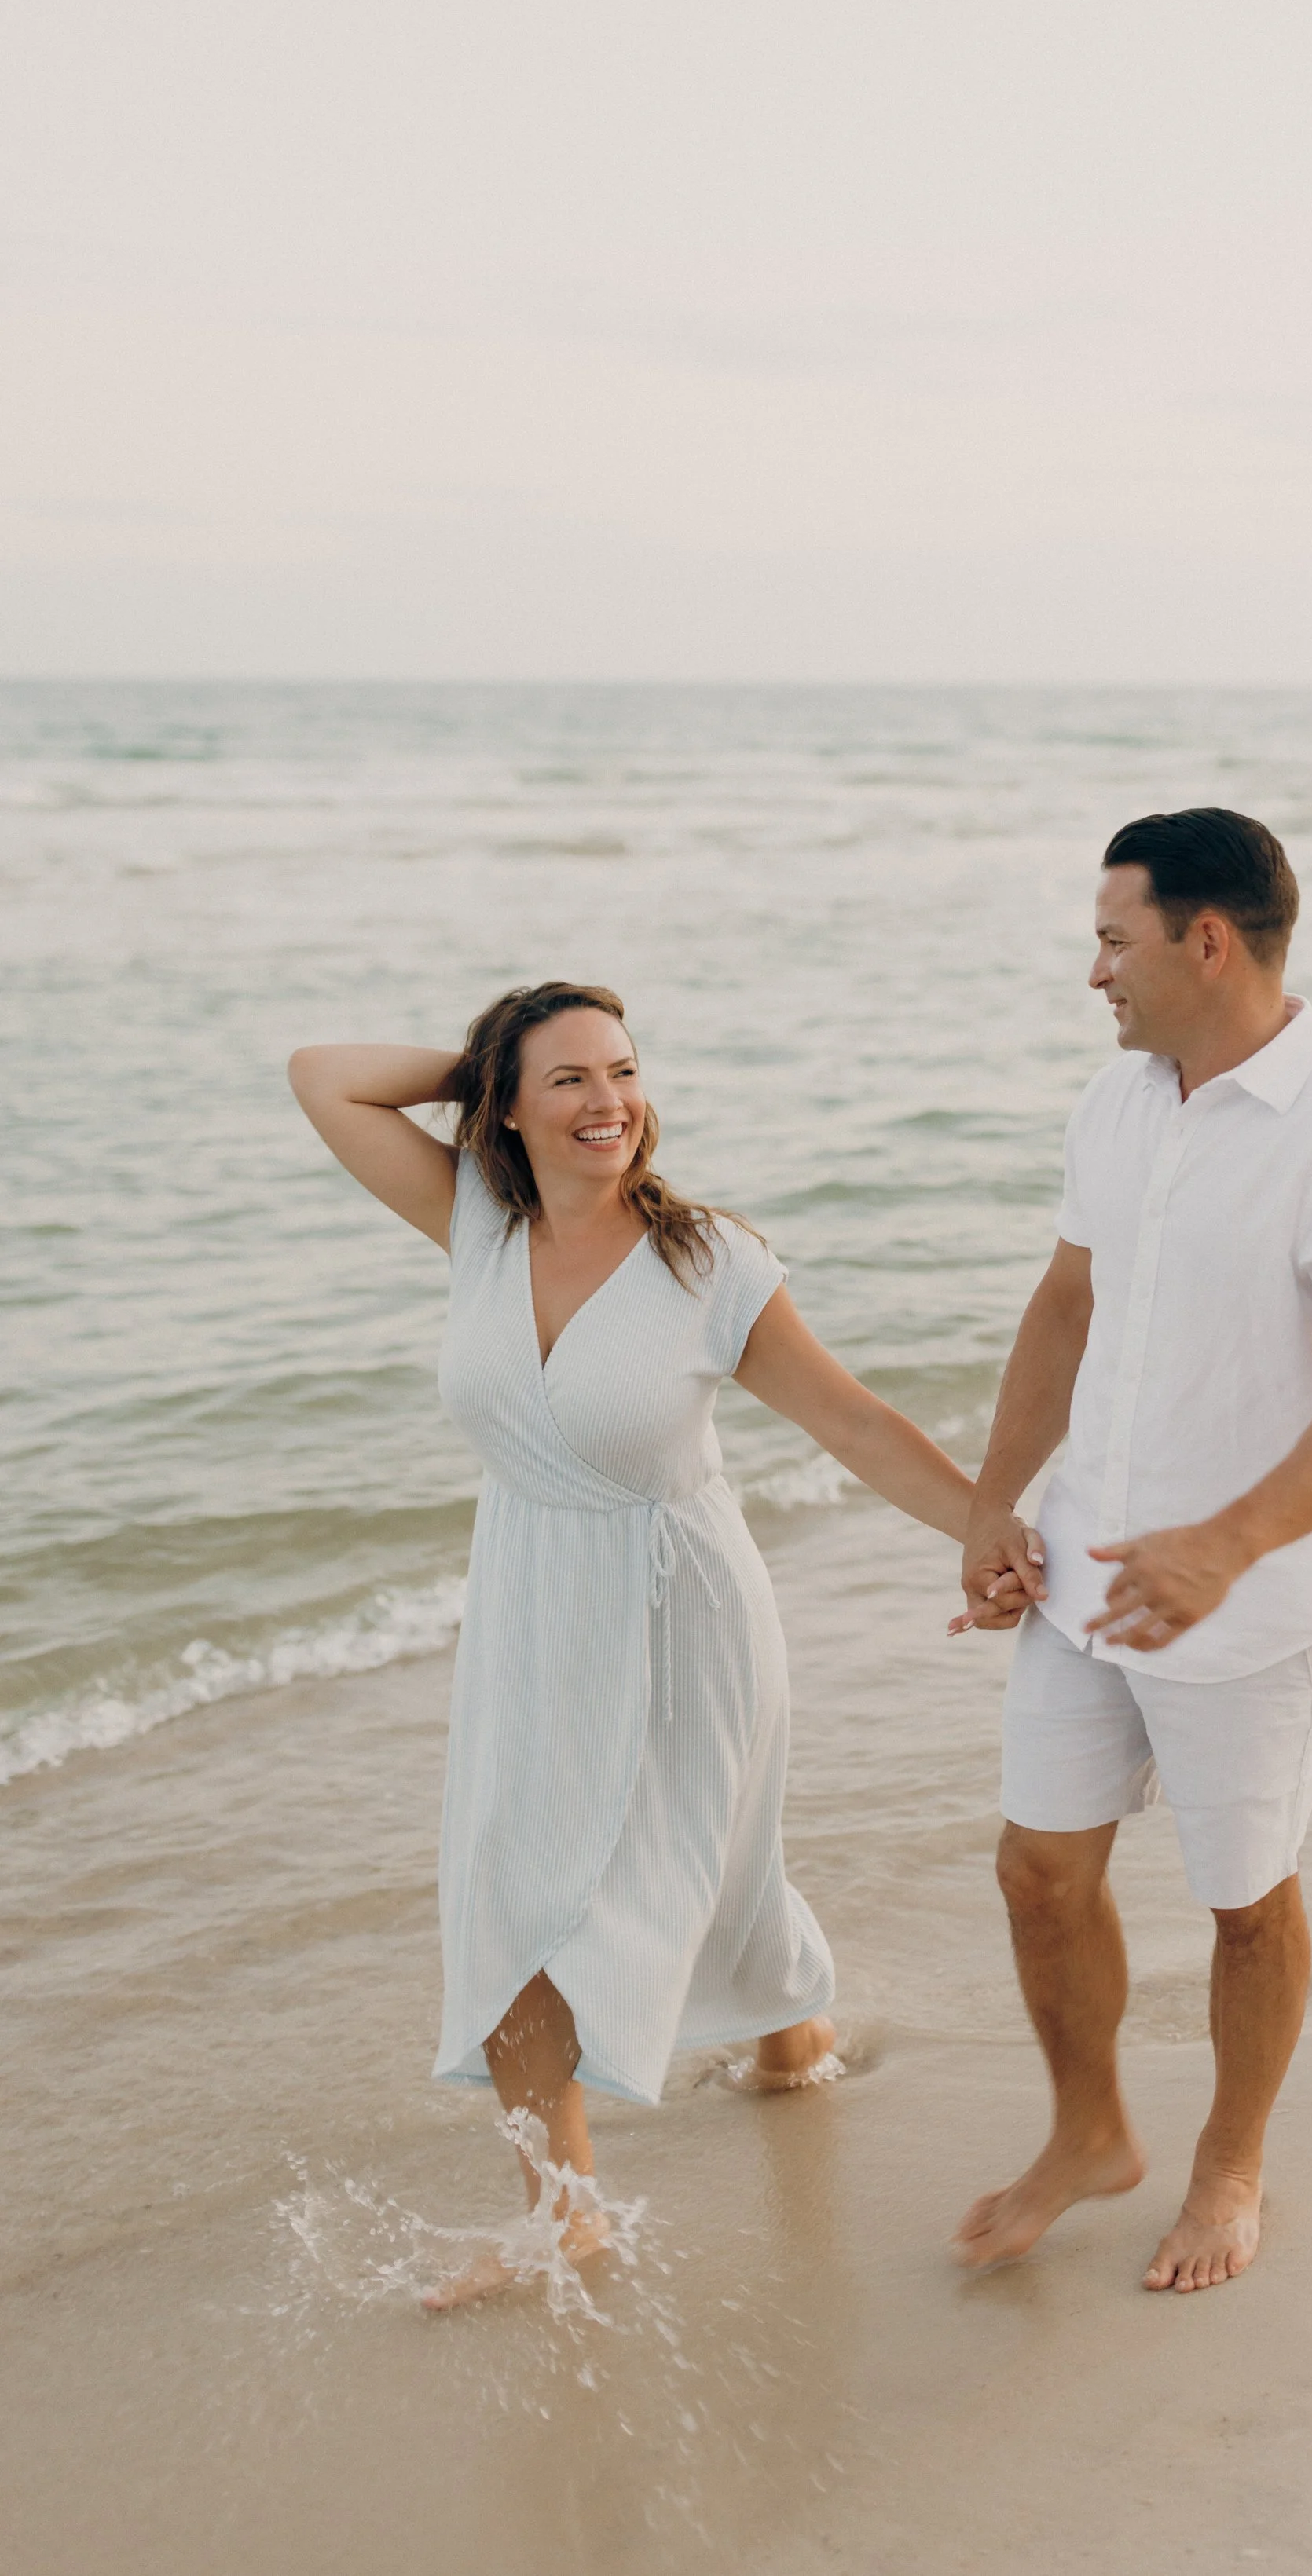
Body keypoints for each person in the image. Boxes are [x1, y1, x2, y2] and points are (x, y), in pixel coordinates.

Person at [289, 981, 975, 2310]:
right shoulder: (479, 1223)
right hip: (532, 1610)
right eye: (570, 1081)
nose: (610, 1103)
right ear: (504, 1106)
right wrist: (488, 1062)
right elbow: (325, 1073)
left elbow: (858, 1424)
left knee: (707, 1866)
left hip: (683, 1611)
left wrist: (988, 1530)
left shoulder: (705, 1261)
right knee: (508, 1896)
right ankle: (566, 2214)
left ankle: (792, 2039)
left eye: (623, 1072)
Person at [951, 809, 1312, 2294]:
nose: (1094, 973)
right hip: (1087, 1565)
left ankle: (1231, 2164)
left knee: (1244, 1899)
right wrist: (994, 1500)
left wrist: (1229, 1546)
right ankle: (1091, 2127)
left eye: (1114, 940)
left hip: (1259, 1596)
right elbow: (1065, 1305)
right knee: (1038, 1872)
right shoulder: (1118, 1107)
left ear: (1207, 940)